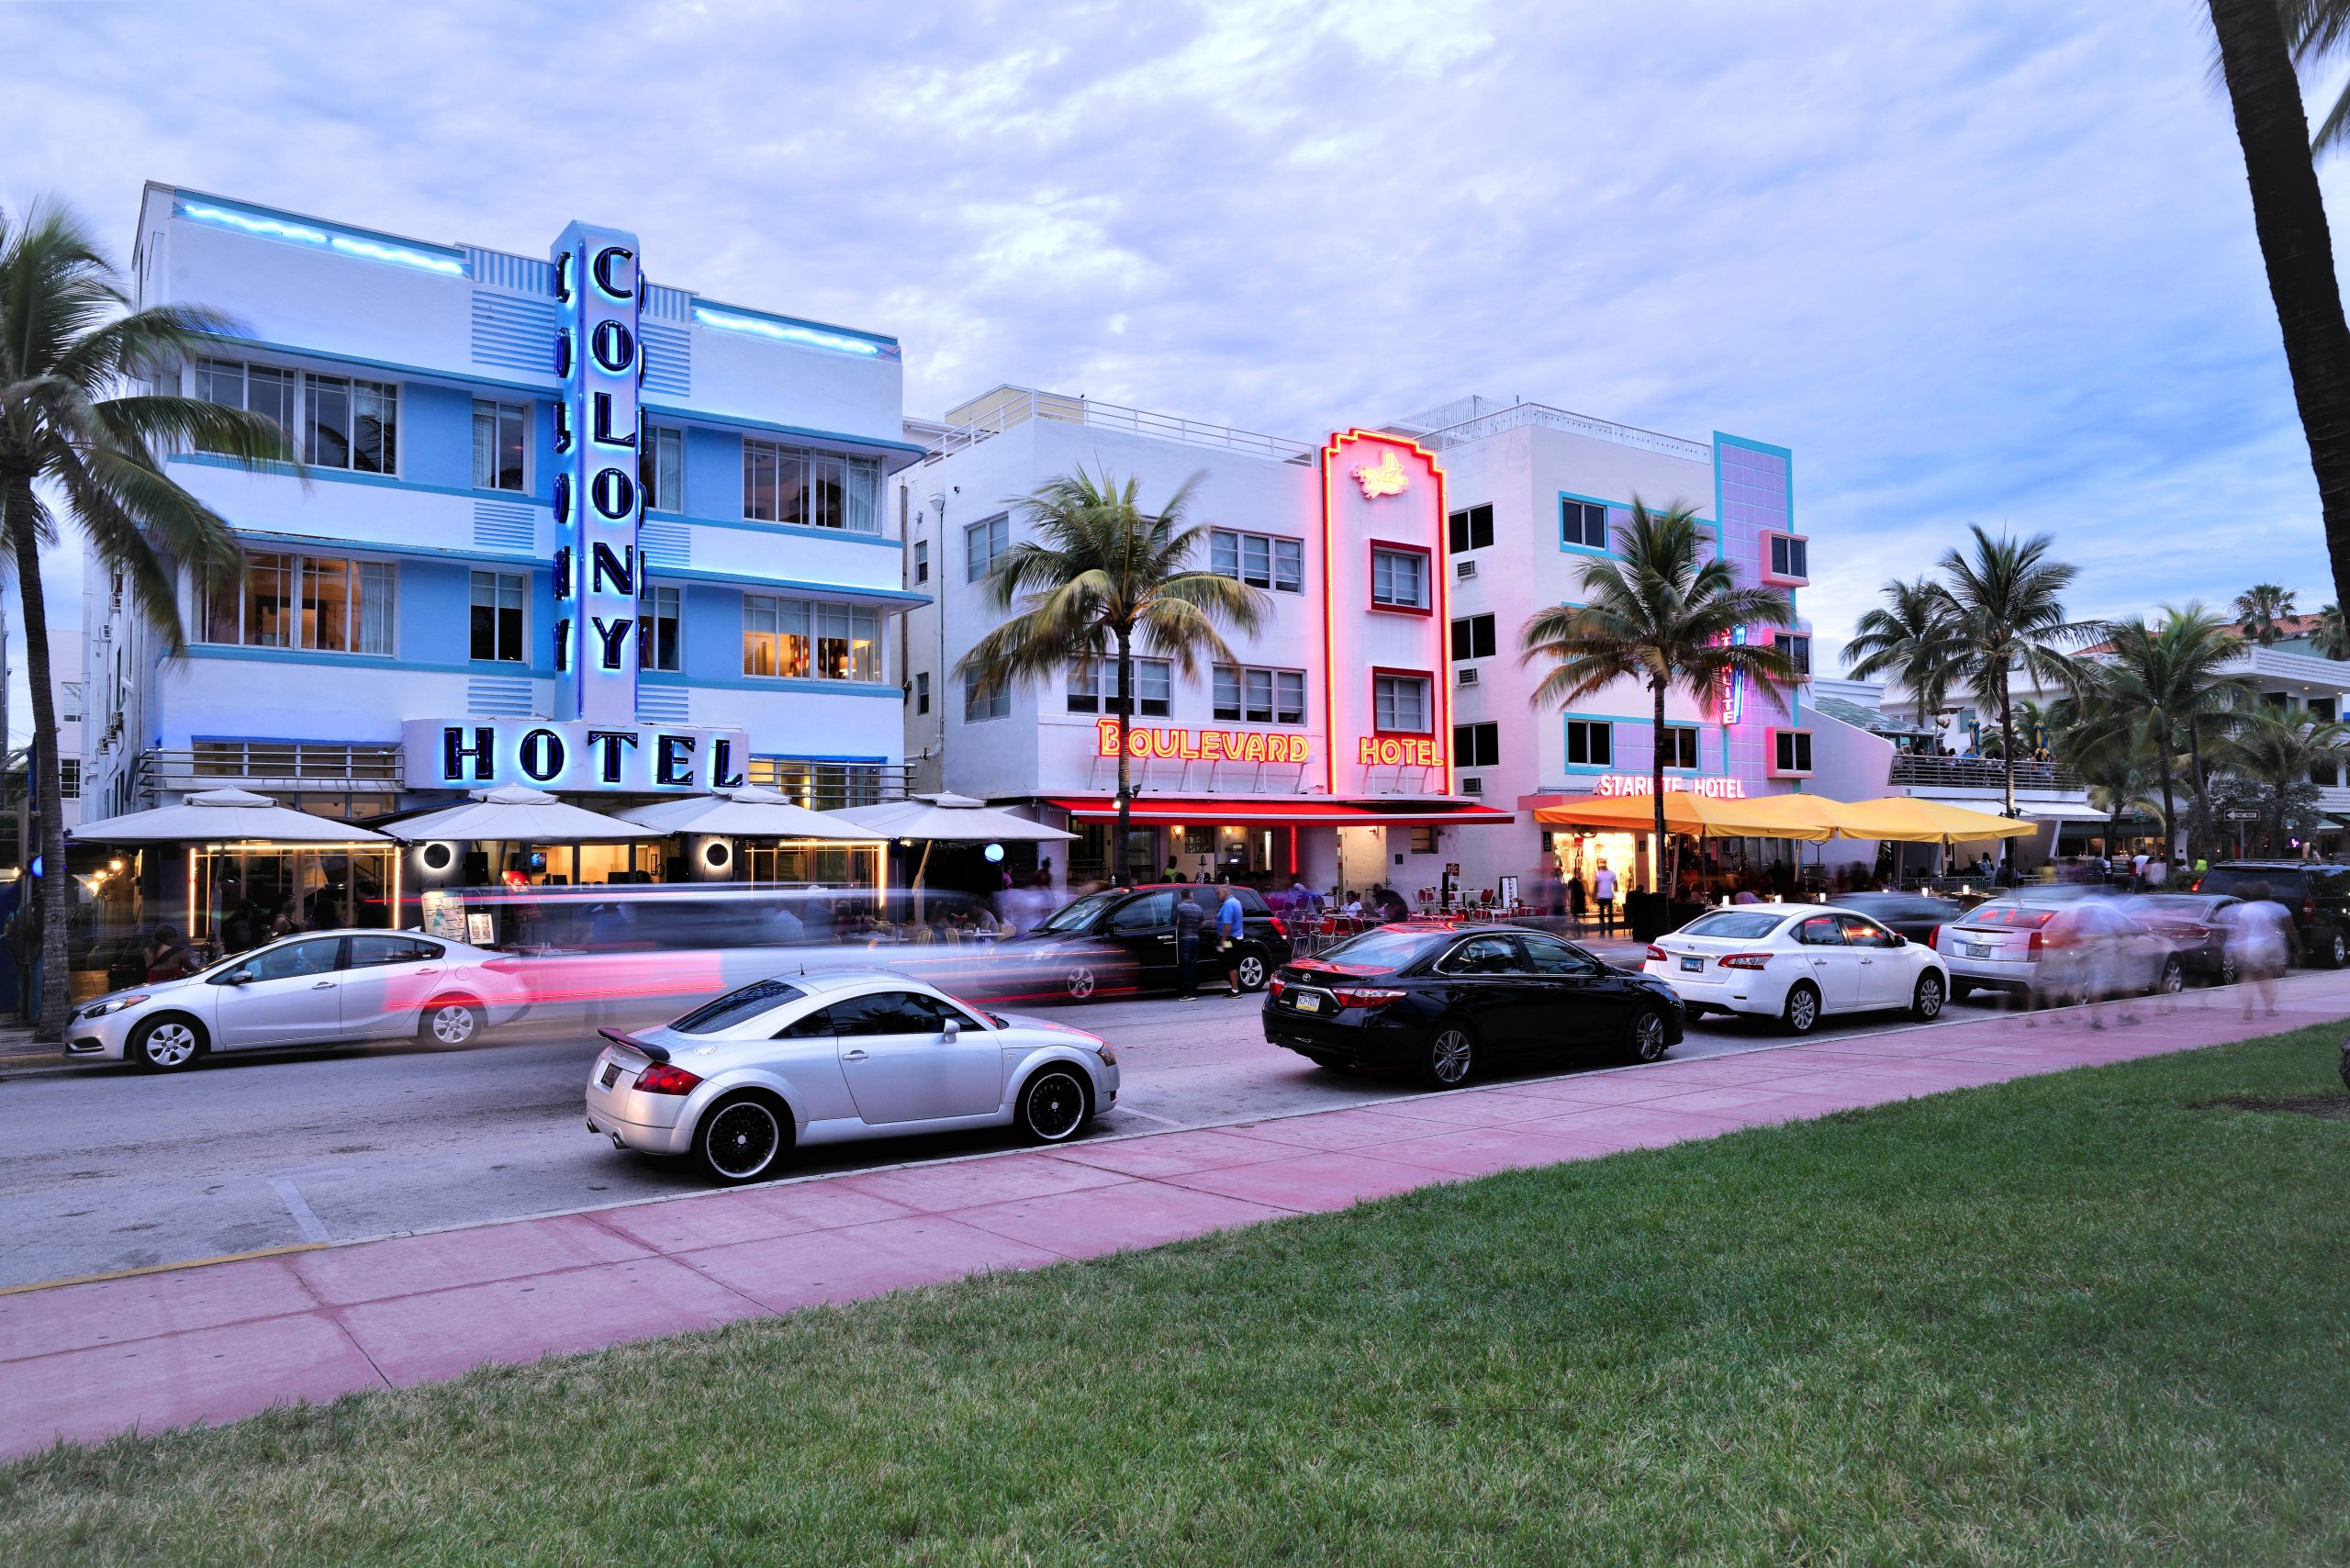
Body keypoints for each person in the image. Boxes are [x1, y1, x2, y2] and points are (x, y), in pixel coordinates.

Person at [2217, 882, 2296, 1019]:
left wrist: (2236, 947)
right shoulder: (2260, 910)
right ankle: (2269, 1008)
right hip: (2265, 946)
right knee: (2265, 977)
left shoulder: (2242, 911)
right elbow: (2270, 930)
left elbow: (2241, 932)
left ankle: (2247, 1011)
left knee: (2246, 978)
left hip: (2249, 947)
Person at [1214, 879, 1248, 996]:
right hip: (1237, 938)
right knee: (1233, 962)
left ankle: (1235, 990)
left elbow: (1227, 924)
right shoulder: (1236, 901)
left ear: (1225, 892)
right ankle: (1234, 988)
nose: (1217, 895)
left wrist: (1223, 940)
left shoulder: (1228, 904)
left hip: (1229, 939)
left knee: (1229, 962)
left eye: (1218, 893)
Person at [1173, 887, 1207, 999]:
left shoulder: (1179, 908)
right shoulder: (1198, 908)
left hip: (1185, 939)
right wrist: (1195, 929)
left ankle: (1188, 992)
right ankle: (1194, 990)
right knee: (1193, 965)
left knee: (1185, 966)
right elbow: (1203, 924)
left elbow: (1177, 923)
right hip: (1196, 938)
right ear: (1190, 895)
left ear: (1181, 896)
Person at [1593, 859, 1618, 934]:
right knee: (1602, 914)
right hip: (1601, 896)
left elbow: (1615, 883)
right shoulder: (1598, 874)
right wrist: (1595, 893)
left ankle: (1610, 929)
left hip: (1608, 895)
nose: (1602, 865)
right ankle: (1602, 929)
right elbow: (1596, 884)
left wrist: (1615, 891)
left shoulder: (1611, 873)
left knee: (1609, 913)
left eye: (1603, 864)